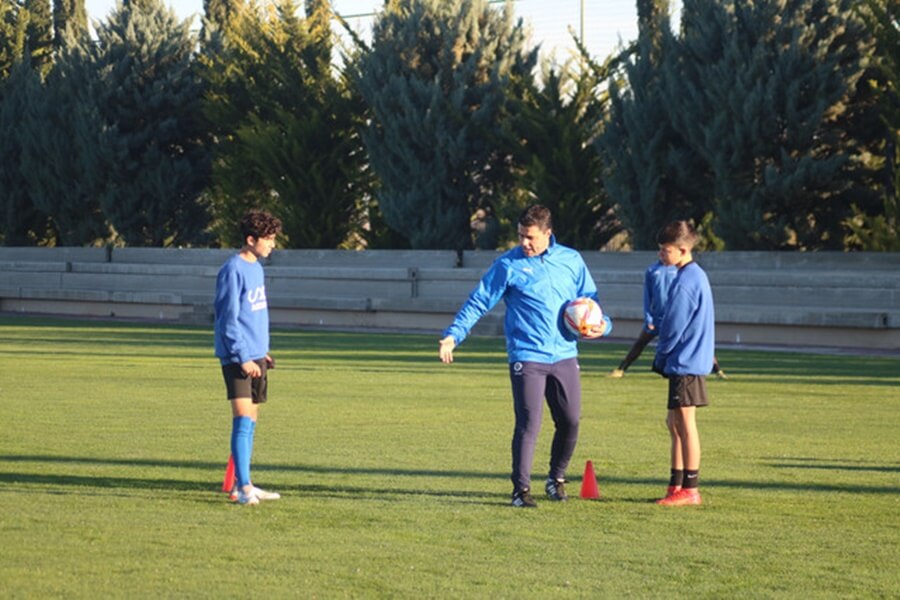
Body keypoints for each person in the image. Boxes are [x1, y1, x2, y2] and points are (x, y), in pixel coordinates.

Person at [439, 205, 613, 508]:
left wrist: (603, 326)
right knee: (529, 422)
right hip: (527, 355)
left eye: (530, 237)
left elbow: (592, 303)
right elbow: (479, 300)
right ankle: (521, 491)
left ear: (548, 234)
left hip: (565, 354)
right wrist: (454, 335)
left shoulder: (571, 260)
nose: (524, 243)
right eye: (520, 236)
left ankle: (555, 479)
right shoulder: (508, 264)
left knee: (570, 421)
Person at [214, 208, 283, 506]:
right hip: (237, 358)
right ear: (250, 239)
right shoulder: (232, 270)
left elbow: (252, 314)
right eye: (268, 239)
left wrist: (260, 352)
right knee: (242, 419)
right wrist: (243, 356)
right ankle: (243, 489)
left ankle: (245, 484)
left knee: (251, 421)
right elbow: (227, 319)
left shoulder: (257, 267)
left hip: (255, 356)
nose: (272, 245)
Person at [651, 220, 715, 506]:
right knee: (673, 422)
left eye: (665, 251)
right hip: (685, 361)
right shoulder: (691, 275)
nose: (661, 256)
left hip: (685, 362)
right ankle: (676, 483)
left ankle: (690, 488)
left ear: (682, 249)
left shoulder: (688, 280)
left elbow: (674, 325)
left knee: (686, 424)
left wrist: (661, 354)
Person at [609, 260, 726, 379]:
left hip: (673, 317)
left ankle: (718, 371)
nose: (662, 254)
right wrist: (648, 318)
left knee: (694, 344)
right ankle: (621, 369)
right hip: (656, 318)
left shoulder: (680, 271)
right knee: (640, 343)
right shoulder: (652, 270)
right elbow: (647, 296)